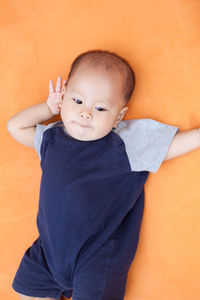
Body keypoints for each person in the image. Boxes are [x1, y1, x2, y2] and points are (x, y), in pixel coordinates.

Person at [7, 49, 200, 300]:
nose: (86, 113)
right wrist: (46, 108)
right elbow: (15, 126)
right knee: (27, 291)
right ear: (63, 99)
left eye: (100, 108)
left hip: (97, 254)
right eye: (77, 101)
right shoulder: (51, 137)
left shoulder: (122, 145)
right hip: (49, 250)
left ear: (118, 116)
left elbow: (169, 147)